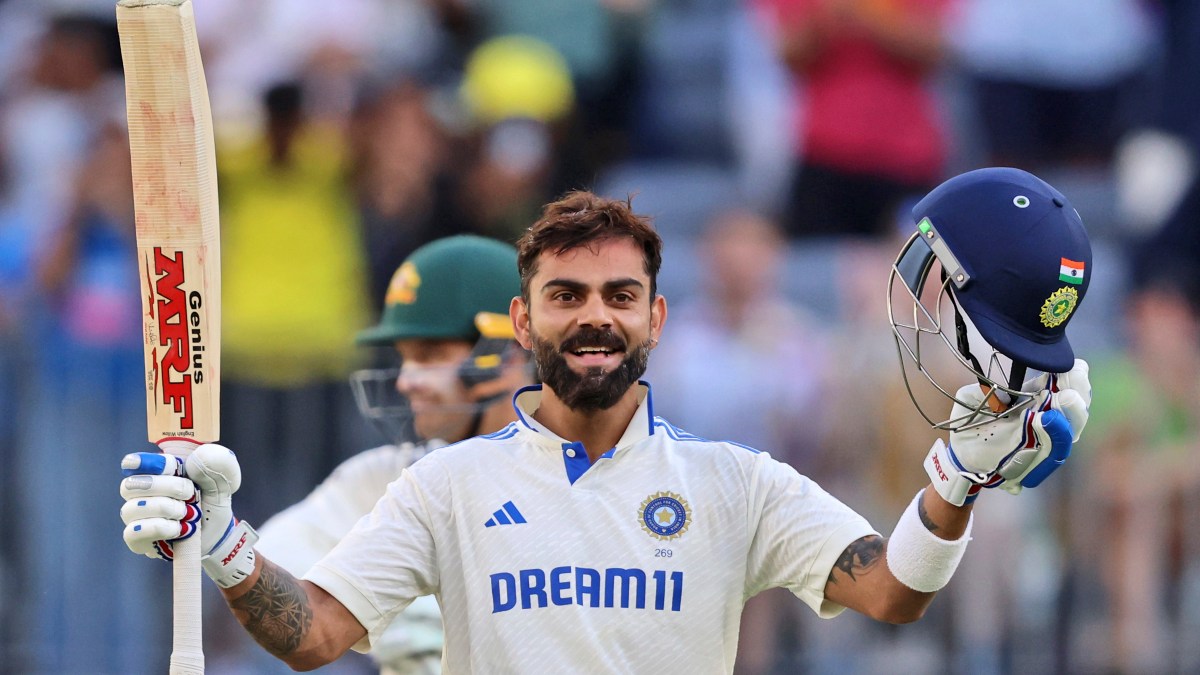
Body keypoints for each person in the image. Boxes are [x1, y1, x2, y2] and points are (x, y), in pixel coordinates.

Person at [119, 173, 1093, 673]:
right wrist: (224, 544)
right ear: (524, 318)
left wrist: (955, 484)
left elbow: (890, 595)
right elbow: (318, 634)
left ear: (657, 318)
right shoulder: (441, 488)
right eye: (567, 294)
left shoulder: (735, 484)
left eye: (621, 294)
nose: (595, 315)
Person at [234, 234, 533, 674]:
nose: (405, 381)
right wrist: (218, 537)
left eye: (429, 355)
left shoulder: (574, 473)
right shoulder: (385, 478)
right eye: (404, 357)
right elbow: (283, 572)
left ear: (506, 357)